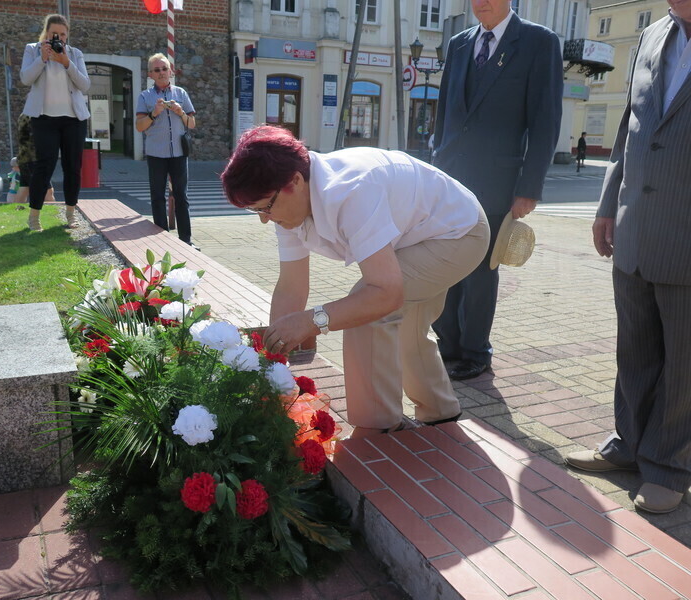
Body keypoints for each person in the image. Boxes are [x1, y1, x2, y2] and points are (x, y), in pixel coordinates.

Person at [221, 126, 490, 439]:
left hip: (459, 232)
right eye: (255, 210)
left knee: (366, 308)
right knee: (406, 323)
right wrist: (274, 366)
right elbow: (291, 287)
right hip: (418, 233)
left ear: (294, 181)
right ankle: (442, 414)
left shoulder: (351, 191)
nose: (264, 219)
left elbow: (384, 294)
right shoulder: (286, 202)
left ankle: (377, 430)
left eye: (264, 207)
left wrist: (313, 321)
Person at [566, 0, 691, 514]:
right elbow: (629, 127)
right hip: (637, 226)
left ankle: (669, 463)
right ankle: (630, 443)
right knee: (634, 348)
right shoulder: (655, 32)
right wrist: (606, 206)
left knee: (684, 362)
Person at [431, 0, 563, 381]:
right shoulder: (458, 43)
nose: (480, 3)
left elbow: (545, 121)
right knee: (446, 265)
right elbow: (445, 115)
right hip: (450, 181)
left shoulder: (538, 42)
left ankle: (475, 352)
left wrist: (529, 187)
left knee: (480, 271)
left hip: (498, 182)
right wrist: (436, 172)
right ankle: (448, 345)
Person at [20, 13, 90, 232]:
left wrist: (66, 63)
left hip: (73, 120)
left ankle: (70, 214)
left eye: (61, 35)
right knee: (44, 166)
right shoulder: (33, 49)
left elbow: (85, 85)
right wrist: (42, 58)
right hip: (44, 119)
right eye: (53, 34)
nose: (57, 38)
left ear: (67, 36)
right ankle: (34, 217)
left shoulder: (74, 54)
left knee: (72, 167)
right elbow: (25, 78)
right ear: (46, 33)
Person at [136, 53, 197, 245]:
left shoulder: (181, 93)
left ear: (170, 71)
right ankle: (162, 240)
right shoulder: (145, 96)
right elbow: (139, 126)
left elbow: (192, 124)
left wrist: (181, 113)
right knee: (157, 197)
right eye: (157, 70)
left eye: (164, 68)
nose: (161, 73)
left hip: (178, 153)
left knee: (181, 196)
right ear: (150, 74)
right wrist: (154, 113)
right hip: (156, 154)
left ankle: (186, 240)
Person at [15, 114, 55, 205]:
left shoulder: (25, 115)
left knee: (24, 189)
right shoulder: (34, 117)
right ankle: (51, 213)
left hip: (26, 159)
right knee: (48, 192)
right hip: (34, 160)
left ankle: (14, 212)